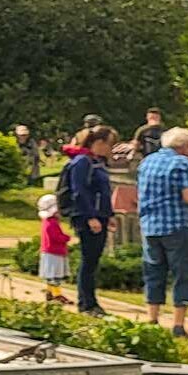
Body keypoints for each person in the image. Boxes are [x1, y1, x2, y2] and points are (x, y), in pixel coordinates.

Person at [138, 126, 188, 337]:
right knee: (183, 274)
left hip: (150, 226)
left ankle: (152, 319)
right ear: (185, 146)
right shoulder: (181, 162)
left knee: (153, 272)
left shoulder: (147, 161)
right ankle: (178, 325)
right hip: (175, 225)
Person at [61, 125, 117, 315]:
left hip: (100, 216)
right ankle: (86, 303)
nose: (111, 149)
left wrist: (109, 214)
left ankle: (90, 301)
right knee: (89, 260)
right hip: (88, 217)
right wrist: (90, 216)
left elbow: (103, 191)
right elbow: (79, 191)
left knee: (93, 260)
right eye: (110, 144)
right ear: (99, 143)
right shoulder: (82, 162)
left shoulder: (96, 162)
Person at [36, 192, 71, 304]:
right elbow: (56, 237)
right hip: (53, 253)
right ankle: (56, 294)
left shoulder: (49, 222)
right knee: (55, 276)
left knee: (51, 275)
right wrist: (66, 238)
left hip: (51, 252)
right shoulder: (51, 223)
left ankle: (50, 292)